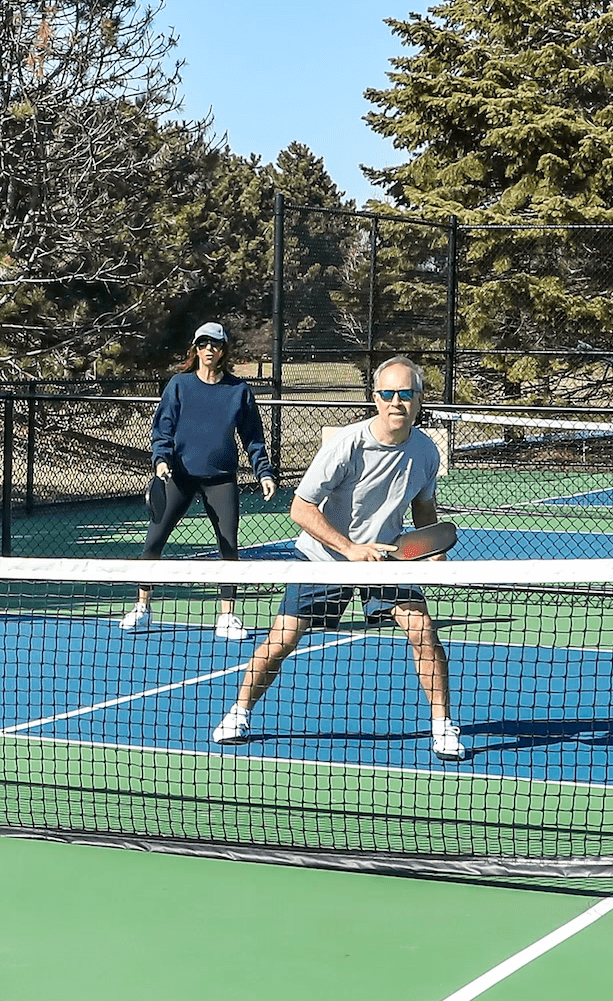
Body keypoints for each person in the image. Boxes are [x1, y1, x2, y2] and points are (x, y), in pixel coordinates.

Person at [210, 356, 464, 763]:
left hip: (386, 557)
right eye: (387, 393)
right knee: (282, 641)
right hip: (326, 556)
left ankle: (443, 727)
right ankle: (238, 714)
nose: (396, 401)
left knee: (422, 631)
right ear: (375, 398)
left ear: (419, 400)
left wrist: (429, 551)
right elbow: (301, 508)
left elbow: (423, 508)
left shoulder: (425, 451)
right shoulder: (346, 444)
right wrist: (349, 550)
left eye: (405, 394)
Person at [120, 321, 279, 640]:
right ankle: (142, 608)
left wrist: (263, 472)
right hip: (178, 477)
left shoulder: (239, 391)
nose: (209, 349)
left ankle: (228, 616)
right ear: (196, 349)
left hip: (221, 480)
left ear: (223, 351)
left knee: (228, 545)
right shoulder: (179, 385)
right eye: (203, 344)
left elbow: (253, 438)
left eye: (215, 344)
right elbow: (162, 429)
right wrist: (161, 460)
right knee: (154, 541)